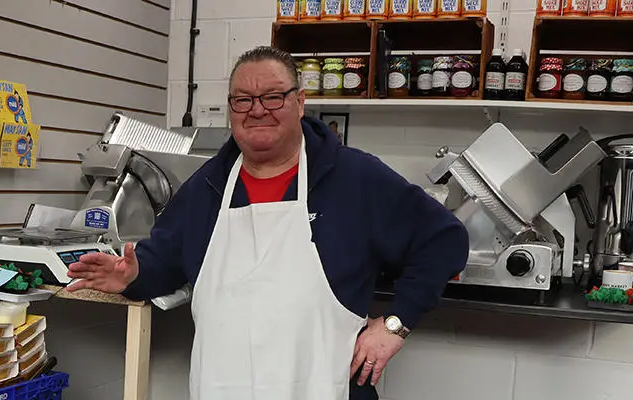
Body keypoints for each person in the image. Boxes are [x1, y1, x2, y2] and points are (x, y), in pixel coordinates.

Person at [65, 46, 469, 400]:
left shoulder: (355, 178)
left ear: (300, 102)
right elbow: (165, 264)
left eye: (273, 96)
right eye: (243, 100)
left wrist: (395, 324)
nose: (257, 109)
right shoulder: (208, 186)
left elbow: (445, 241)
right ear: (231, 109)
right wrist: (132, 275)